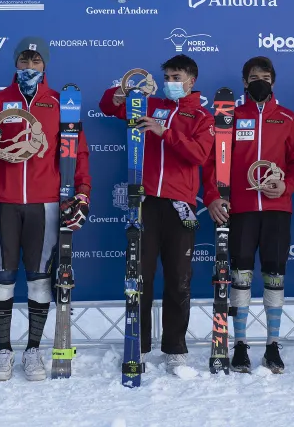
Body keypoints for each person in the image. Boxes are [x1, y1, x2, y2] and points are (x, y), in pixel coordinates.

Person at [0, 36, 91, 382]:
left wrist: (82, 194)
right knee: (4, 277)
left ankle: (33, 351)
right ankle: (4, 351)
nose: (29, 68)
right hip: (2, 202)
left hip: (45, 203)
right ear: (15, 64)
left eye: (35, 62)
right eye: (23, 62)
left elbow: (76, 154)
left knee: (40, 279)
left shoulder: (59, 103)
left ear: (45, 65)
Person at [99, 54, 214, 375]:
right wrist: (119, 94)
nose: (170, 83)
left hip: (181, 206)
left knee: (179, 278)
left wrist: (166, 133)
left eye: (176, 77)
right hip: (145, 202)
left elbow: (201, 154)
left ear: (191, 81)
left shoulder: (202, 117)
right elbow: (109, 106)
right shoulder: (149, 105)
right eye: (167, 77)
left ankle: (175, 348)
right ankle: (140, 344)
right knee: (140, 277)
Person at [202, 56, 294, 373]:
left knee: (275, 277)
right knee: (241, 277)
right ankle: (240, 346)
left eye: (265, 76)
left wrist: (286, 186)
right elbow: (213, 162)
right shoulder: (230, 116)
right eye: (253, 77)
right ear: (244, 83)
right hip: (242, 210)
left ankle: (273, 346)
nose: (259, 81)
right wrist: (211, 198)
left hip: (277, 210)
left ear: (273, 81)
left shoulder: (287, 118)